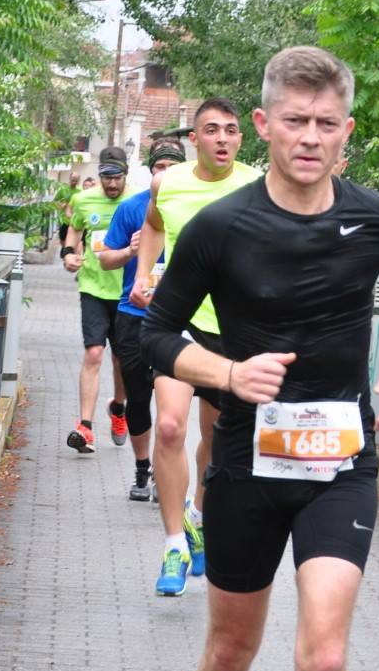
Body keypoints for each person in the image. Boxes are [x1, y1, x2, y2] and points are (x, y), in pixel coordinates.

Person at [140, 46, 379, 671]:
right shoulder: (221, 227)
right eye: (296, 121)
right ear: (265, 124)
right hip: (245, 465)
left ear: (348, 131)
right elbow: (157, 334)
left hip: (340, 466)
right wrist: (228, 373)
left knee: (324, 661)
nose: (311, 137)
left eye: (327, 124)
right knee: (230, 649)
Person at [132, 99, 261, 596]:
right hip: (177, 321)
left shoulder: (258, 185)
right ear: (195, 139)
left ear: (241, 138)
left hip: (231, 331)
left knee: (217, 437)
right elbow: (154, 225)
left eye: (231, 130)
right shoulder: (168, 182)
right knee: (169, 426)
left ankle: (198, 517)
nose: (223, 138)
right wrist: (144, 274)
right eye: (212, 130)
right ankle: (173, 546)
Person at [96, 133, 189, 500]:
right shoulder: (131, 208)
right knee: (137, 398)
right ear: (150, 171)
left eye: (172, 167)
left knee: (171, 405)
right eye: (159, 167)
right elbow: (105, 259)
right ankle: (141, 469)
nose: (164, 173)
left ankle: (166, 476)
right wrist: (129, 252)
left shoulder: (197, 208)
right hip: (133, 314)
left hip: (179, 320)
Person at [61, 147, 132, 453]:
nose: (112, 184)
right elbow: (75, 228)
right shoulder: (84, 199)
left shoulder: (139, 200)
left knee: (122, 359)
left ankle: (118, 408)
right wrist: (68, 254)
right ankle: (86, 427)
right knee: (93, 353)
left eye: (117, 177)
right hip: (92, 287)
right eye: (106, 178)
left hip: (127, 291)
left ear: (126, 174)